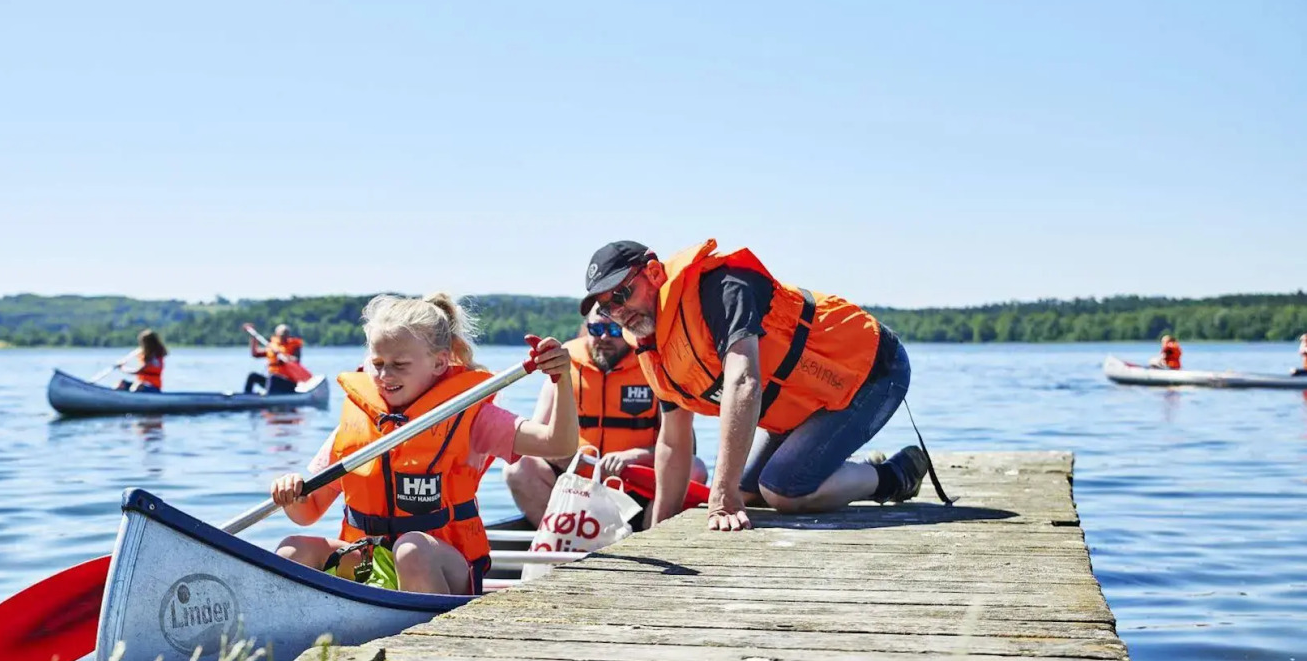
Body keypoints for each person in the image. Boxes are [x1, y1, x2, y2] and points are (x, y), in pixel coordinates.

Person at [579, 239, 930, 533]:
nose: (619, 311)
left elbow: (744, 381)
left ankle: (893, 475)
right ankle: (839, 466)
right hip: (803, 405)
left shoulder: (722, 287)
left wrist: (721, 494)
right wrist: (659, 529)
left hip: (869, 371)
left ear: (654, 273)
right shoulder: (652, 344)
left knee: (782, 492)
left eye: (623, 293)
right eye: (607, 307)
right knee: (748, 493)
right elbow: (673, 439)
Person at [269, 294, 576, 595]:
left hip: (443, 565)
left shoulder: (470, 416)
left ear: (439, 363)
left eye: (399, 364)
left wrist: (561, 378)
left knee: (411, 549)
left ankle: (426, 638)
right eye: (377, 363)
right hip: (369, 562)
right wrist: (291, 493)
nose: (384, 376)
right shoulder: (360, 422)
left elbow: (558, 444)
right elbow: (307, 513)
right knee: (292, 550)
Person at [505, 310, 707, 526]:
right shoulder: (565, 364)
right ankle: (561, 541)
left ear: (629, 330)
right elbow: (538, 436)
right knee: (518, 466)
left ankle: (649, 541)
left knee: (695, 468)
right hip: (574, 485)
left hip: (635, 485)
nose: (604, 337)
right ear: (587, 328)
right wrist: (567, 456)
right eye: (597, 329)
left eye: (614, 330)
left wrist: (635, 456)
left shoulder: (655, 364)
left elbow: (683, 446)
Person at [245, 323, 304, 394]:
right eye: (282, 335)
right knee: (252, 376)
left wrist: (282, 355)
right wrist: (253, 338)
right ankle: (246, 396)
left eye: (286, 334)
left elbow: (296, 360)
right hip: (271, 382)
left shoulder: (294, 346)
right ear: (277, 334)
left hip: (288, 383)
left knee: (273, 377)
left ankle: (268, 398)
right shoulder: (272, 346)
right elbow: (255, 354)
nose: (284, 336)